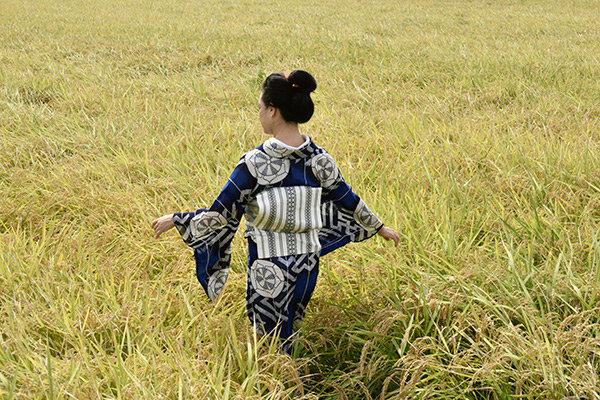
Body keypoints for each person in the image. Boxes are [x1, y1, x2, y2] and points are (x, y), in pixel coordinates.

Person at [152, 70, 399, 353]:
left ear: (272, 110)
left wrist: (177, 220)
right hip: (307, 265)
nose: (259, 114)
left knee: (270, 342)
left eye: (260, 107)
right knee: (292, 328)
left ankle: (283, 377)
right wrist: (379, 227)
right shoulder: (320, 159)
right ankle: (294, 371)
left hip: (268, 269)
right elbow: (346, 198)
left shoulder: (254, 164)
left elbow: (220, 214)